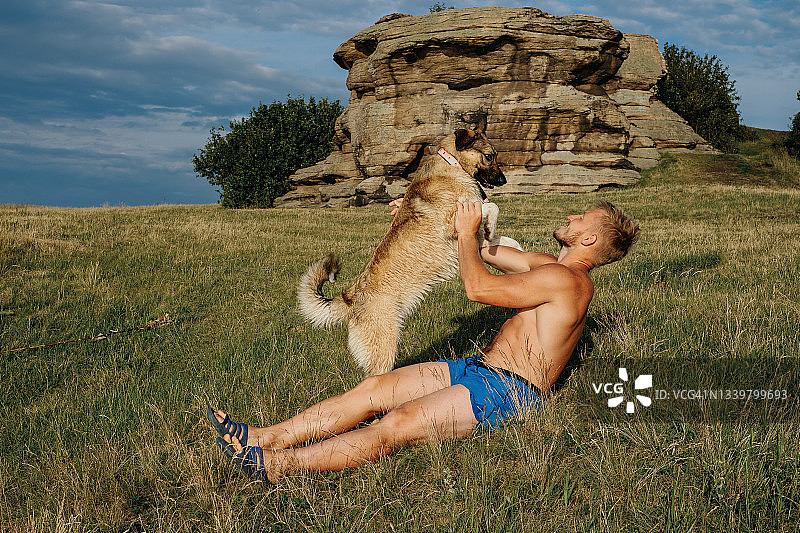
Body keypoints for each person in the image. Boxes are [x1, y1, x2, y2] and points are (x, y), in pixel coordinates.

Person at [208, 199, 639, 482]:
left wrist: (468, 234)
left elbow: (479, 287)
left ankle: (278, 467)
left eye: (580, 218)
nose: (570, 217)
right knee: (376, 389)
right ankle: (264, 437)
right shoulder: (548, 266)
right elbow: (486, 252)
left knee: (393, 426)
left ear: (590, 239)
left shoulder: (569, 282)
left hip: (509, 391)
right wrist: (429, 223)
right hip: (478, 369)